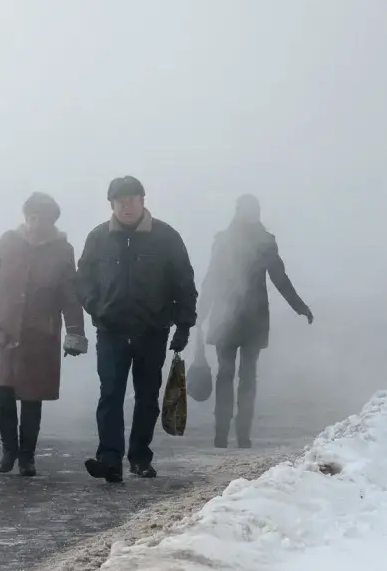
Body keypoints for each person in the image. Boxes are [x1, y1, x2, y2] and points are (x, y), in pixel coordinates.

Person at [75, 176, 198, 482]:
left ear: (143, 201)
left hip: (152, 330)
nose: (125, 205)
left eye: (131, 199)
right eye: (119, 201)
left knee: (146, 397)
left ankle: (140, 457)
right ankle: (110, 459)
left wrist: (184, 324)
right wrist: (94, 305)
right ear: (111, 205)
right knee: (111, 394)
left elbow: (184, 282)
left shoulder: (166, 237)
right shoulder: (98, 238)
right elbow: (82, 279)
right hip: (111, 330)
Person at [0, 192, 89, 477]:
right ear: (25, 217)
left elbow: (69, 296)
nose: (35, 223)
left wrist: (74, 331)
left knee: (33, 396)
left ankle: (27, 456)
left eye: (42, 217)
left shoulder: (62, 250)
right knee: (3, 390)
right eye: (31, 216)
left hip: (40, 332)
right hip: (4, 328)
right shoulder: (8, 242)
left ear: (52, 220)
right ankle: (9, 449)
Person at [198, 194, 313, 449]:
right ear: (239, 212)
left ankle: (240, 435)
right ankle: (223, 434)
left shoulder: (263, 242)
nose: (251, 214)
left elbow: (280, 278)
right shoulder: (229, 241)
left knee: (243, 377)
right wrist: (199, 313)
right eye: (247, 210)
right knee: (229, 375)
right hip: (232, 317)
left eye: (254, 210)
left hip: (249, 318)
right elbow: (212, 279)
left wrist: (299, 307)